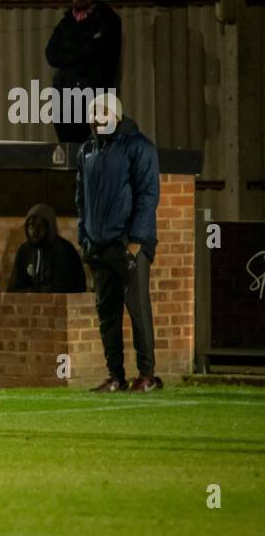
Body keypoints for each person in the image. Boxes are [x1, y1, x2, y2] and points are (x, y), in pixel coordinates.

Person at [75, 93, 162, 393]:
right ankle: (115, 375)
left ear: (116, 115)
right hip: (99, 246)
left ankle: (147, 374)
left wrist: (136, 243)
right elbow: (80, 198)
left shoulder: (139, 147)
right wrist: (84, 238)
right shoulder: (87, 150)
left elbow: (148, 196)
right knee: (107, 314)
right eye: (92, 111)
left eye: (101, 111)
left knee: (138, 310)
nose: (96, 117)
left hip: (128, 243)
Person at [45, 0, 122, 143]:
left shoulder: (108, 20)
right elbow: (51, 55)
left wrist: (69, 49)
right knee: (69, 149)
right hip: (65, 97)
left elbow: (97, 51)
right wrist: (84, 47)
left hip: (95, 96)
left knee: (96, 149)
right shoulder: (65, 23)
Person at [8, 203, 86, 293]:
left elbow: (61, 290)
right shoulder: (24, 251)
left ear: (50, 227)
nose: (35, 231)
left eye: (41, 226)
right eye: (31, 225)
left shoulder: (64, 250)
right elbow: (14, 288)